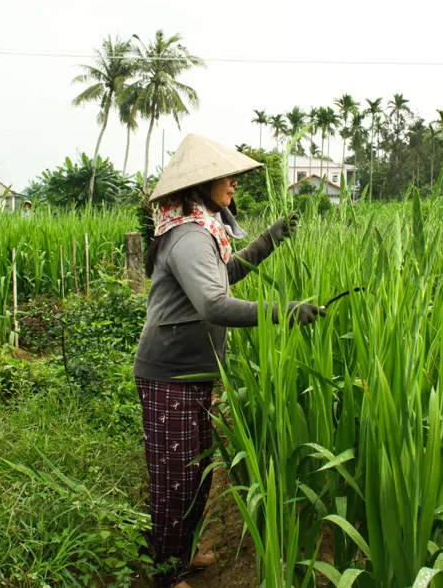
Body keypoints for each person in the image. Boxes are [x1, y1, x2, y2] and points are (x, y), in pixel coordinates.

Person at [135, 134, 325, 588]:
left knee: (197, 468)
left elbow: (225, 273)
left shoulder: (202, 230)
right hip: (172, 375)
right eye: (228, 176)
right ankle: (167, 573)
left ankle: (181, 551)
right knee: (174, 477)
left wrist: (267, 241)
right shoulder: (189, 237)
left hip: (192, 371)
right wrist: (285, 311)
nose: (235, 182)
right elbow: (216, 305)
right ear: (202, 184)